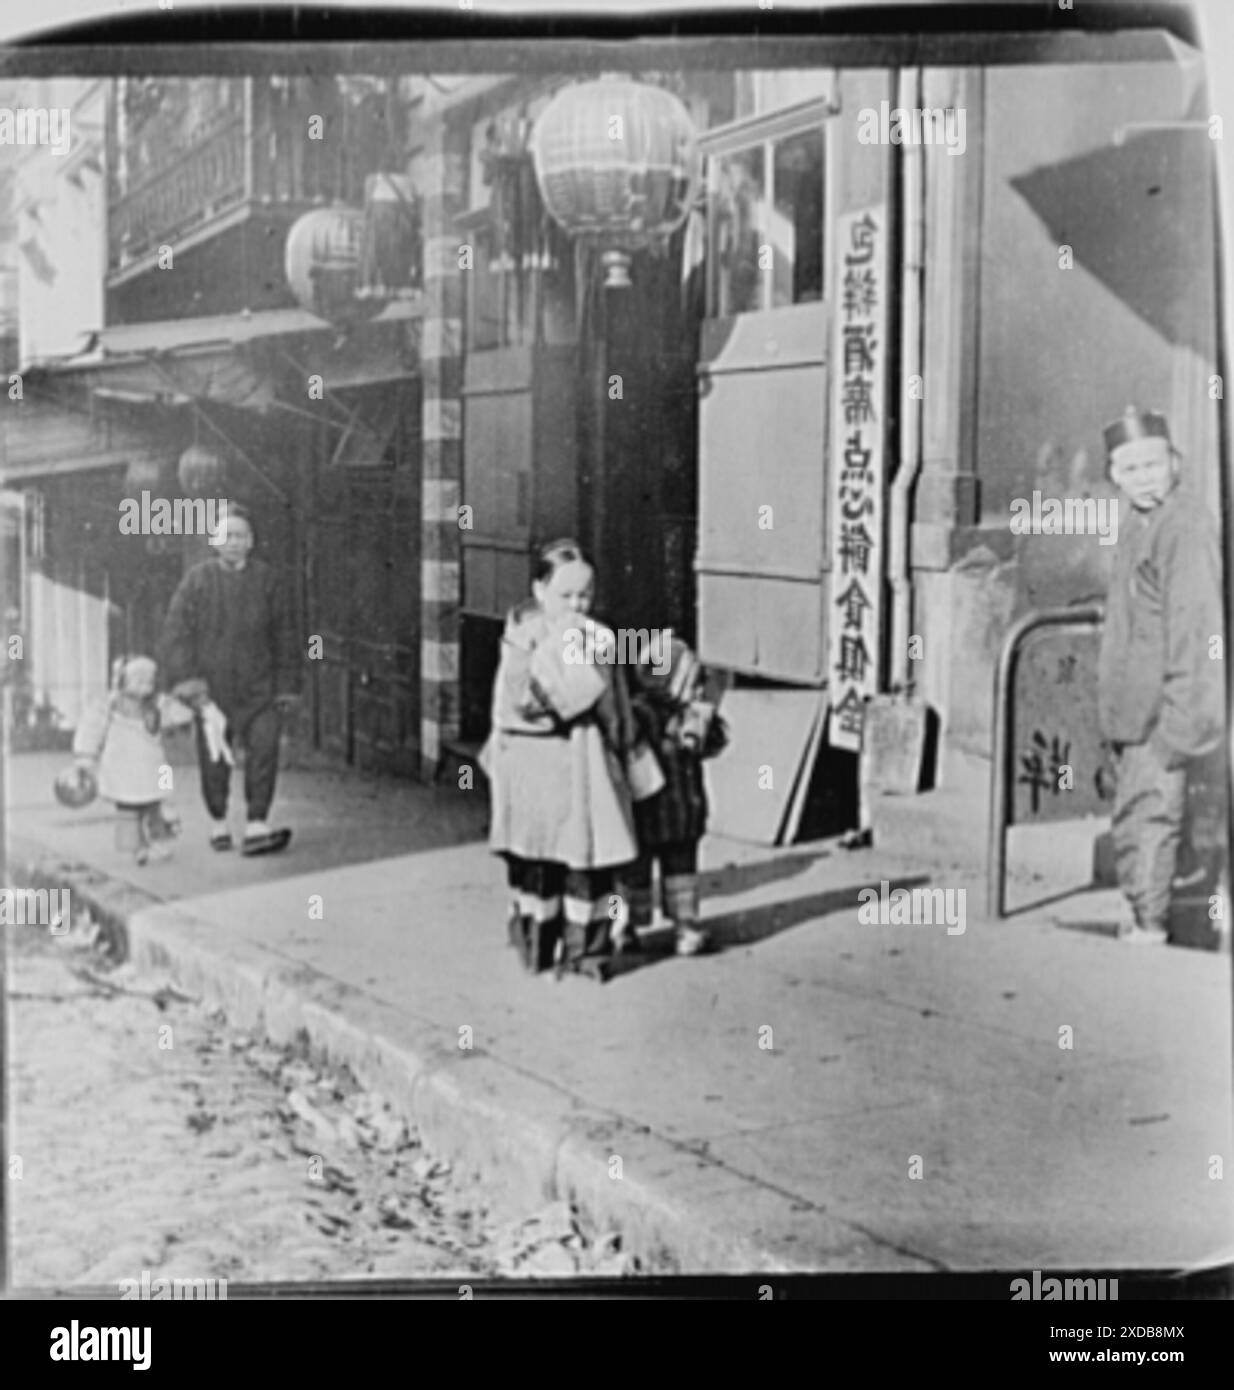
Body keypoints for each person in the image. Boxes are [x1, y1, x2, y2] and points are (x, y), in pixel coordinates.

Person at [483, 538, 641, 980]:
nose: (577, 604)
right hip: (540, 765)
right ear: (538, 589)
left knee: (583, 863)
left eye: (585, 595)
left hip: (581, 763)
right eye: (565, 595)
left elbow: (617, 701)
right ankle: (540, 946)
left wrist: (621, 734)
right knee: (539, 863)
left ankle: (583, 954)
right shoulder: (523, 637)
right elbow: (518, 702)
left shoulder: (597, 636)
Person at [1096, 406, 1225, 944]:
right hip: (1136, 712)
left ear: (1175, 463)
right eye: (1131, 469)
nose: (1144, 477)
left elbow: (1197, 634)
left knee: (1149, 821)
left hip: (1160, 717)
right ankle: (1148, 917)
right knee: (1138, 819)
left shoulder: (1185, 526)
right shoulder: (1139, 520)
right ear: (1114, 476)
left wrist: (1180, 729)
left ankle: (1149, 931)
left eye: (1154, 465)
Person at [159, 504, 301, 856]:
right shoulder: (197, 581)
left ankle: (256, 822)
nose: (233, 542)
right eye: (226, 536)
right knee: (214, 757)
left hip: (261, 687)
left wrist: (285, 686)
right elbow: (176, 634)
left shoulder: (269, 580)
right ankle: (219, 821)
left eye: (240, 536)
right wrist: (191, 685)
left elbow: (286, 634)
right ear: (214, 540)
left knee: (264, 751)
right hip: (213, 690)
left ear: (251, 541)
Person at [620, 633, 727, 956]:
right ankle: (629, 925)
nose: (697, 688)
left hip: (669, 812)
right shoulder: (642, 712)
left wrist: (705, 722)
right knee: (640, 874)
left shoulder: (689, 713)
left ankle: (674, 926)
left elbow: (715, 744)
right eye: (693, 680)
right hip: (661, 808)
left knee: (665, 872)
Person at [71, 655, 192, 865]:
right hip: (122, 768)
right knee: (128, 811)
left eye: (149, 680)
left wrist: (177, 704)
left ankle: (161, 843)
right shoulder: (108, 706)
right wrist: (85, 757)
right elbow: (91, 729)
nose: (145, 685)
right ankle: (136, 847)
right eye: (138, 679)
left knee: (163, 804)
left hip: (158, 766)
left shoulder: (158, 704)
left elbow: (182, 716)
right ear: (121, 680)